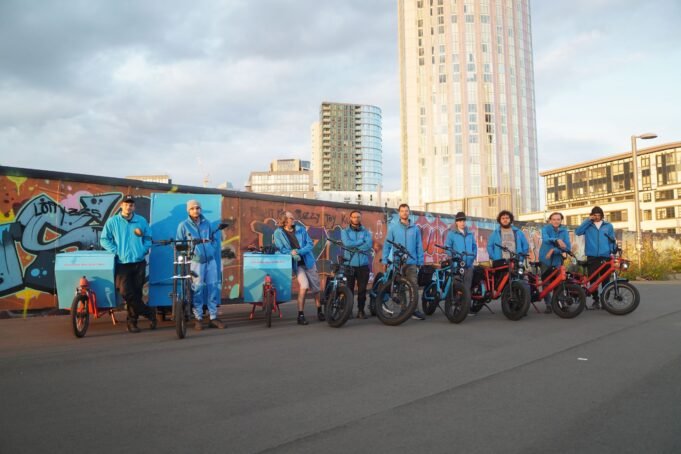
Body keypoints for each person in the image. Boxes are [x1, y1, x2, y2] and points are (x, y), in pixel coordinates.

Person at [100, 195, 157, 333]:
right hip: (122, 263)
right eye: (126, 204)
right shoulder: (113, 221)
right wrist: (116, 251)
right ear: (121, 206)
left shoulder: (141, 221)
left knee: (136, 293)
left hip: (139, 263)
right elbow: (104, 239)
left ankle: (132, 323)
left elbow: (148, 238)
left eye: (131, 205)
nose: (128, 207)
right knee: (125, 292)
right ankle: (149, 312)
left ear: (134, 207)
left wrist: (143, 250)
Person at [176, 199, 225, 330]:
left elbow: (214, 239)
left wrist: (212, 249)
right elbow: (179, 244)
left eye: (197, 208)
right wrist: (190, 254)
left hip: (211, 260)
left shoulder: (207, 223)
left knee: (213, 287)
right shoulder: (183, 225)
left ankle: (213, 317)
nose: (195, 210)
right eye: (192, 208)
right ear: (188, 211)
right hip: (196, 262)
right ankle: (198, 318)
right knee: (197, 289)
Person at [273, 211, 324, 325]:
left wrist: (299, 251)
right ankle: (300, 315)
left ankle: (320, 311)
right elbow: (281, 249)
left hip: (309, 262)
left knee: (316, 289)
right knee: (304, 286)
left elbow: (310, 244)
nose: (293, 219)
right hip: (297, 264)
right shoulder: (278, 233)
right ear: (285, 220)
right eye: (291, 218)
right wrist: (291, 253)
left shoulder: (301, 229)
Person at [381, 204, 426, 320]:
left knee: (413, 287)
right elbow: (387, 245)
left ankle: (415, 310)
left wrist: (420, 261)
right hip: (398, 262)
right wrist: (385, 260)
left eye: (406, 211)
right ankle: (404, 309)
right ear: (399, 213)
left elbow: (419, 246)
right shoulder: (393, 228)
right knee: (400, 287)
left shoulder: (415, 229)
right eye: (402, 211)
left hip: (411, 262)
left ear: (409, 212)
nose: (405, 213)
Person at [575, 206, 615, 309]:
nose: (597, 217)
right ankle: (595, 301)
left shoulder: (608, 226)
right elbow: (578, 232)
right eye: (595, 215)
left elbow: (612, 240)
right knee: (593, 280)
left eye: (599, 215)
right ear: (592, 215)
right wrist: (588, 220)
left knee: (606, 280)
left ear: (602, 215)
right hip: (592, 256)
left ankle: (605, 301)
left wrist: (612, 252)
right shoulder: (588, 225)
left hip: (605, 256)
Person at [341, 210, 373, 319]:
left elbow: (368, 245)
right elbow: (347, 243)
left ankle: (361, 311)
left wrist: (356, 247)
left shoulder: (366, 231)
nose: (356, 219)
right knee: (348, 289)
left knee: (362, 290)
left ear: (360, 218)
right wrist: (360, 242)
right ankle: (348, 311)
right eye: (354, 217)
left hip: (363, 265)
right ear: (350, 218)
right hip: (349, 264)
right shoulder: (345, 231)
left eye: (358, 217)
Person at [538, 212, 571, 314]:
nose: (556, 221)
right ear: (550, 220)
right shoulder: (545, 229)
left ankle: (560, 303)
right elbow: (546, 240)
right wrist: (557, 240)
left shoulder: (564, 231)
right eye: (554, 219)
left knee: (559, 283)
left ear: (561, 220)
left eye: (558, 219)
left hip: (557, 260)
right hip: (545, 259)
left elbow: (567, 247)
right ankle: (548, 304)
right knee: (546, 283)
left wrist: (554, 250)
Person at [487, 210, 529, 284]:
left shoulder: (518, 232)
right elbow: (489, 246)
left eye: (507, 218)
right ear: (499, 220)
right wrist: (494, 258)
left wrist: (521, 258)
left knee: (519, 282)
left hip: (515, 261)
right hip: (500, 263)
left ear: (510, 219)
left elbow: (525, 245)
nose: (505, 220)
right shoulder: (495, 233)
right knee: (501, 284)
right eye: (503, 218)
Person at [444, 211, 477, 292]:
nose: (462, 223)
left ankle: (466, 300)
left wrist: (473, 256)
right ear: (456, 222)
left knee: (467, 289)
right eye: (460, 221)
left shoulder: (470, 234)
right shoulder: (452, 234)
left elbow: (474, 246)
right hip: (457, 266)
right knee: (457, 288)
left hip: (469, 265)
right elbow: (447, 248)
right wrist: (455, 256)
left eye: (463, 221)